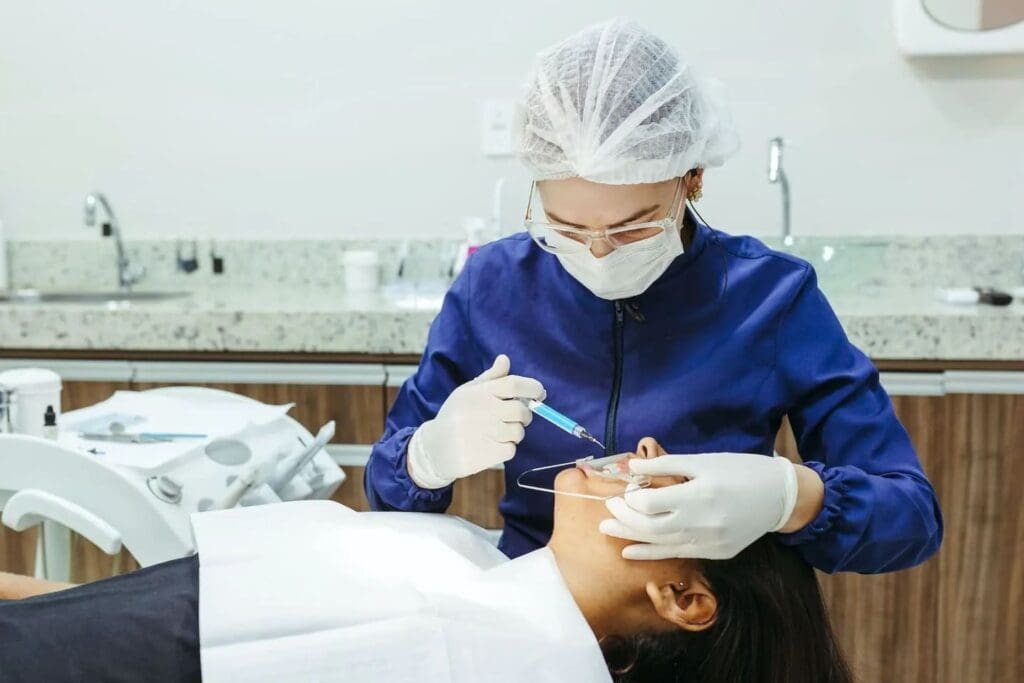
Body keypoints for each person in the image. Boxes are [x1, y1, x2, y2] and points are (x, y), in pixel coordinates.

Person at [365, 18, 942, 573]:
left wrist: (791, 497)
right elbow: (385, 496)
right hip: (541, 606)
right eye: (566, 227)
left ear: (691, 178)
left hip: (715, 613)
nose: (597, 253)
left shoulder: (771, 297)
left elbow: (910, 517)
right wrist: (427, 458)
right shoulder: (493, 286)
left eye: (633, 228)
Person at [0, 439, 851, 682]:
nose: (652, 446)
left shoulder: (480, 648)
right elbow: (181, 619)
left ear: (682, 596)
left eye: (676, 489)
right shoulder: (474, 567)